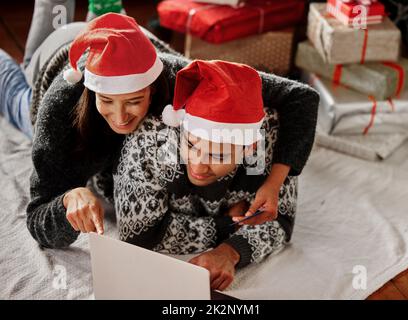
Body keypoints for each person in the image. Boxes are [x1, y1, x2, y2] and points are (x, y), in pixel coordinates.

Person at [0, 10, 319, 248]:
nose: (120, 116)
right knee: (14, 90)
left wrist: (275, 181)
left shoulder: (183, 75)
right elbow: (37, 221)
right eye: (107, 100)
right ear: (94, 92)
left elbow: (300, 97)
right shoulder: (61, 113)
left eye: (134, 101)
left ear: (155, 88)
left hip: (119, 35)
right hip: (54, 64)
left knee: (52, 16)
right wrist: (68, 199)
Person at [114, 60, 299, 291]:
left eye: (218, 156)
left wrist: (230, 252)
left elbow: (281, 220)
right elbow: (140, 234)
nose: (198, 167)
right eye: (190, 145)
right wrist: (228, 226)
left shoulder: (270, 141)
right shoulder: (151, 141)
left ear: (250, 147)